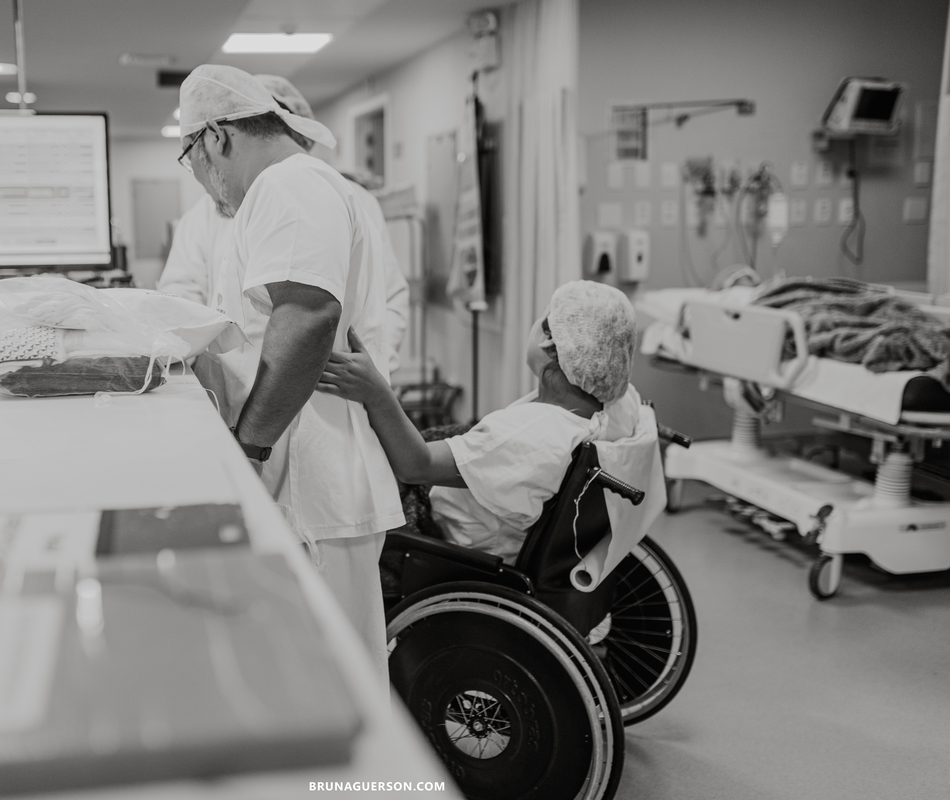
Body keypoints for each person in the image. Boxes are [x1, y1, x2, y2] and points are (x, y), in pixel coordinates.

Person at [177, 65, 404, 674]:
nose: (200, 180)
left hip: (310, 485)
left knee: (333, 685)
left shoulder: (289, 187)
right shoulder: (284, 190)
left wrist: (247, 449)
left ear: (217, 137)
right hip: (301, 475)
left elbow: (306, 315)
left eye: (190, 158)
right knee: (310, 678)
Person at [317, 280, 647, 560]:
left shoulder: (526, 437)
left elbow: (416, 466)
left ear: (549, 343)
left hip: (450, 540)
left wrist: (376, 392)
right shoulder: (620, 405)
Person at [159, 74, 411, 372]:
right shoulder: (216, 208)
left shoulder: (297, 187)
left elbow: (308, 324)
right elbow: (183, 293)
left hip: (301, 401)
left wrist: (370, 372)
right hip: (249, 394)